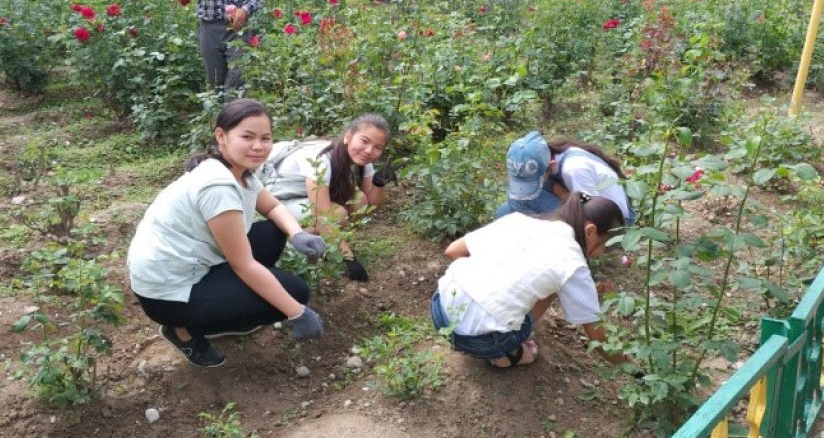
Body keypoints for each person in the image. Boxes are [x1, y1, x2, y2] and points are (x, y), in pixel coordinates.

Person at [127, 99, 326, 368]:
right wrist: (297, 312)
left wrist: (296, 234)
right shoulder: (218, 186)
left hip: (188, 265)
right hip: (167, 293)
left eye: (265, 138)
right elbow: (242, 264)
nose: (258, 146)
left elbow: (272, 206)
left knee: (273, 233)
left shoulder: (236, 170)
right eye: (247, 136)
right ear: (221, 136)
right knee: (296, 293)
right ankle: (184, 331)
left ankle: (229, 305)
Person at [431, 193, 632, 369]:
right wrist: (635, 370)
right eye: (607, 244)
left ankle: (488, 325)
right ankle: (505, 354)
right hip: (479, 341)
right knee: (554, 288)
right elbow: (597, 336)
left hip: (439, 309)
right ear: (590, 231)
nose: (604, 252)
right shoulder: (573, 264)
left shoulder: (519, 220)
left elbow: (452, 251)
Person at [259, 114, 395, 282]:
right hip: (277, 200)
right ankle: (288, 248)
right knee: (337, 215)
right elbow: (322, 218)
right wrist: (349, 259)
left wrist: (379, 183)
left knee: (360, 202)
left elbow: (370, 207)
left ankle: (323, 241)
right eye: (364, 141)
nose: (369, 150)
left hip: (303, 198)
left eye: (378, 147)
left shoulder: (364, 161)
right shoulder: (320, 159)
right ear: (348, 137)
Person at [497, 131, 636, 225]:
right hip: (589, 205)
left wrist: (563, 198)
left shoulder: (575, 169)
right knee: (507, 209)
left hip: (613, 223)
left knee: (529, 200)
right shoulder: (555, 157)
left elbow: (591, 207)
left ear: (551, 165)